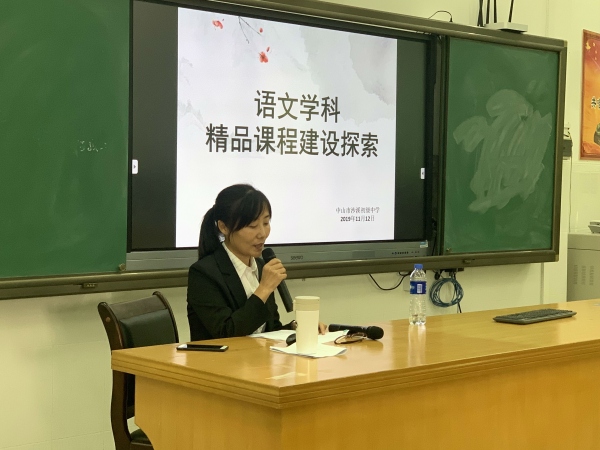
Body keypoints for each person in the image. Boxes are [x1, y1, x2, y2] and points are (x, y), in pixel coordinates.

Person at [187, 184, 327, 341]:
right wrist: (264, 288)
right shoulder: (203, 273)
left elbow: (270, 330)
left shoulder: (261, 267)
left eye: (266, 223)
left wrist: (299, 327)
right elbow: (226, 333)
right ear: (224, 227)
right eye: (252, 226)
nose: (262, 234)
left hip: (257, 356)